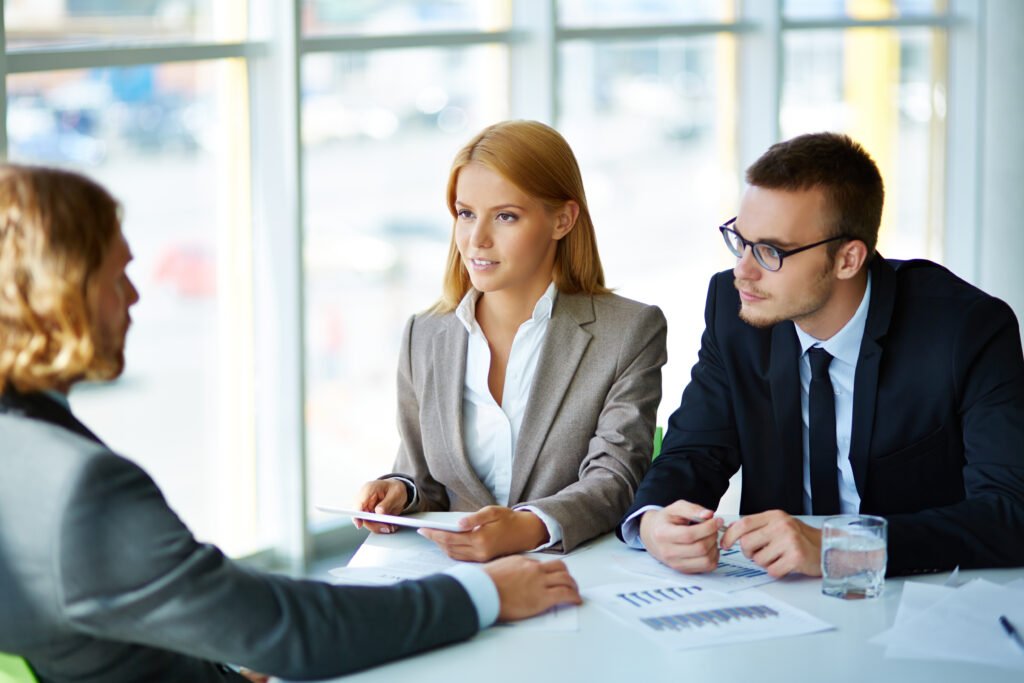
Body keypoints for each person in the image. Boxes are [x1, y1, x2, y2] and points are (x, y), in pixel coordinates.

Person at [0, 164, 582, 683]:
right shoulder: (79, 489)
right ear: (60, 293)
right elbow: (294, 634)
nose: (133, 297)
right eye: (116, 275)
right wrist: (484, 594)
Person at [619, 132, 1024, 578]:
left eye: (771, 250)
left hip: (921, 595)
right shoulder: (735, 309)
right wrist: (655, 520)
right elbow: (695, 451)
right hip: (778, 594)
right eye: (741, 240)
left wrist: (845, 548)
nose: (742, 271)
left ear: (848, 259)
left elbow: (1009, 512)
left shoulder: (966, 330)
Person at [354, 120, 667, 561]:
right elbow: (423, 478)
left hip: (572, 572)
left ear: (562, 219)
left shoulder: (628, 331)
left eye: (505, 216)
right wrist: (399, 491)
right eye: (465, 213)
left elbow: (615, 480)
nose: (476, 239)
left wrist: (527, 528)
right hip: (450, 576)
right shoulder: (423, 335)